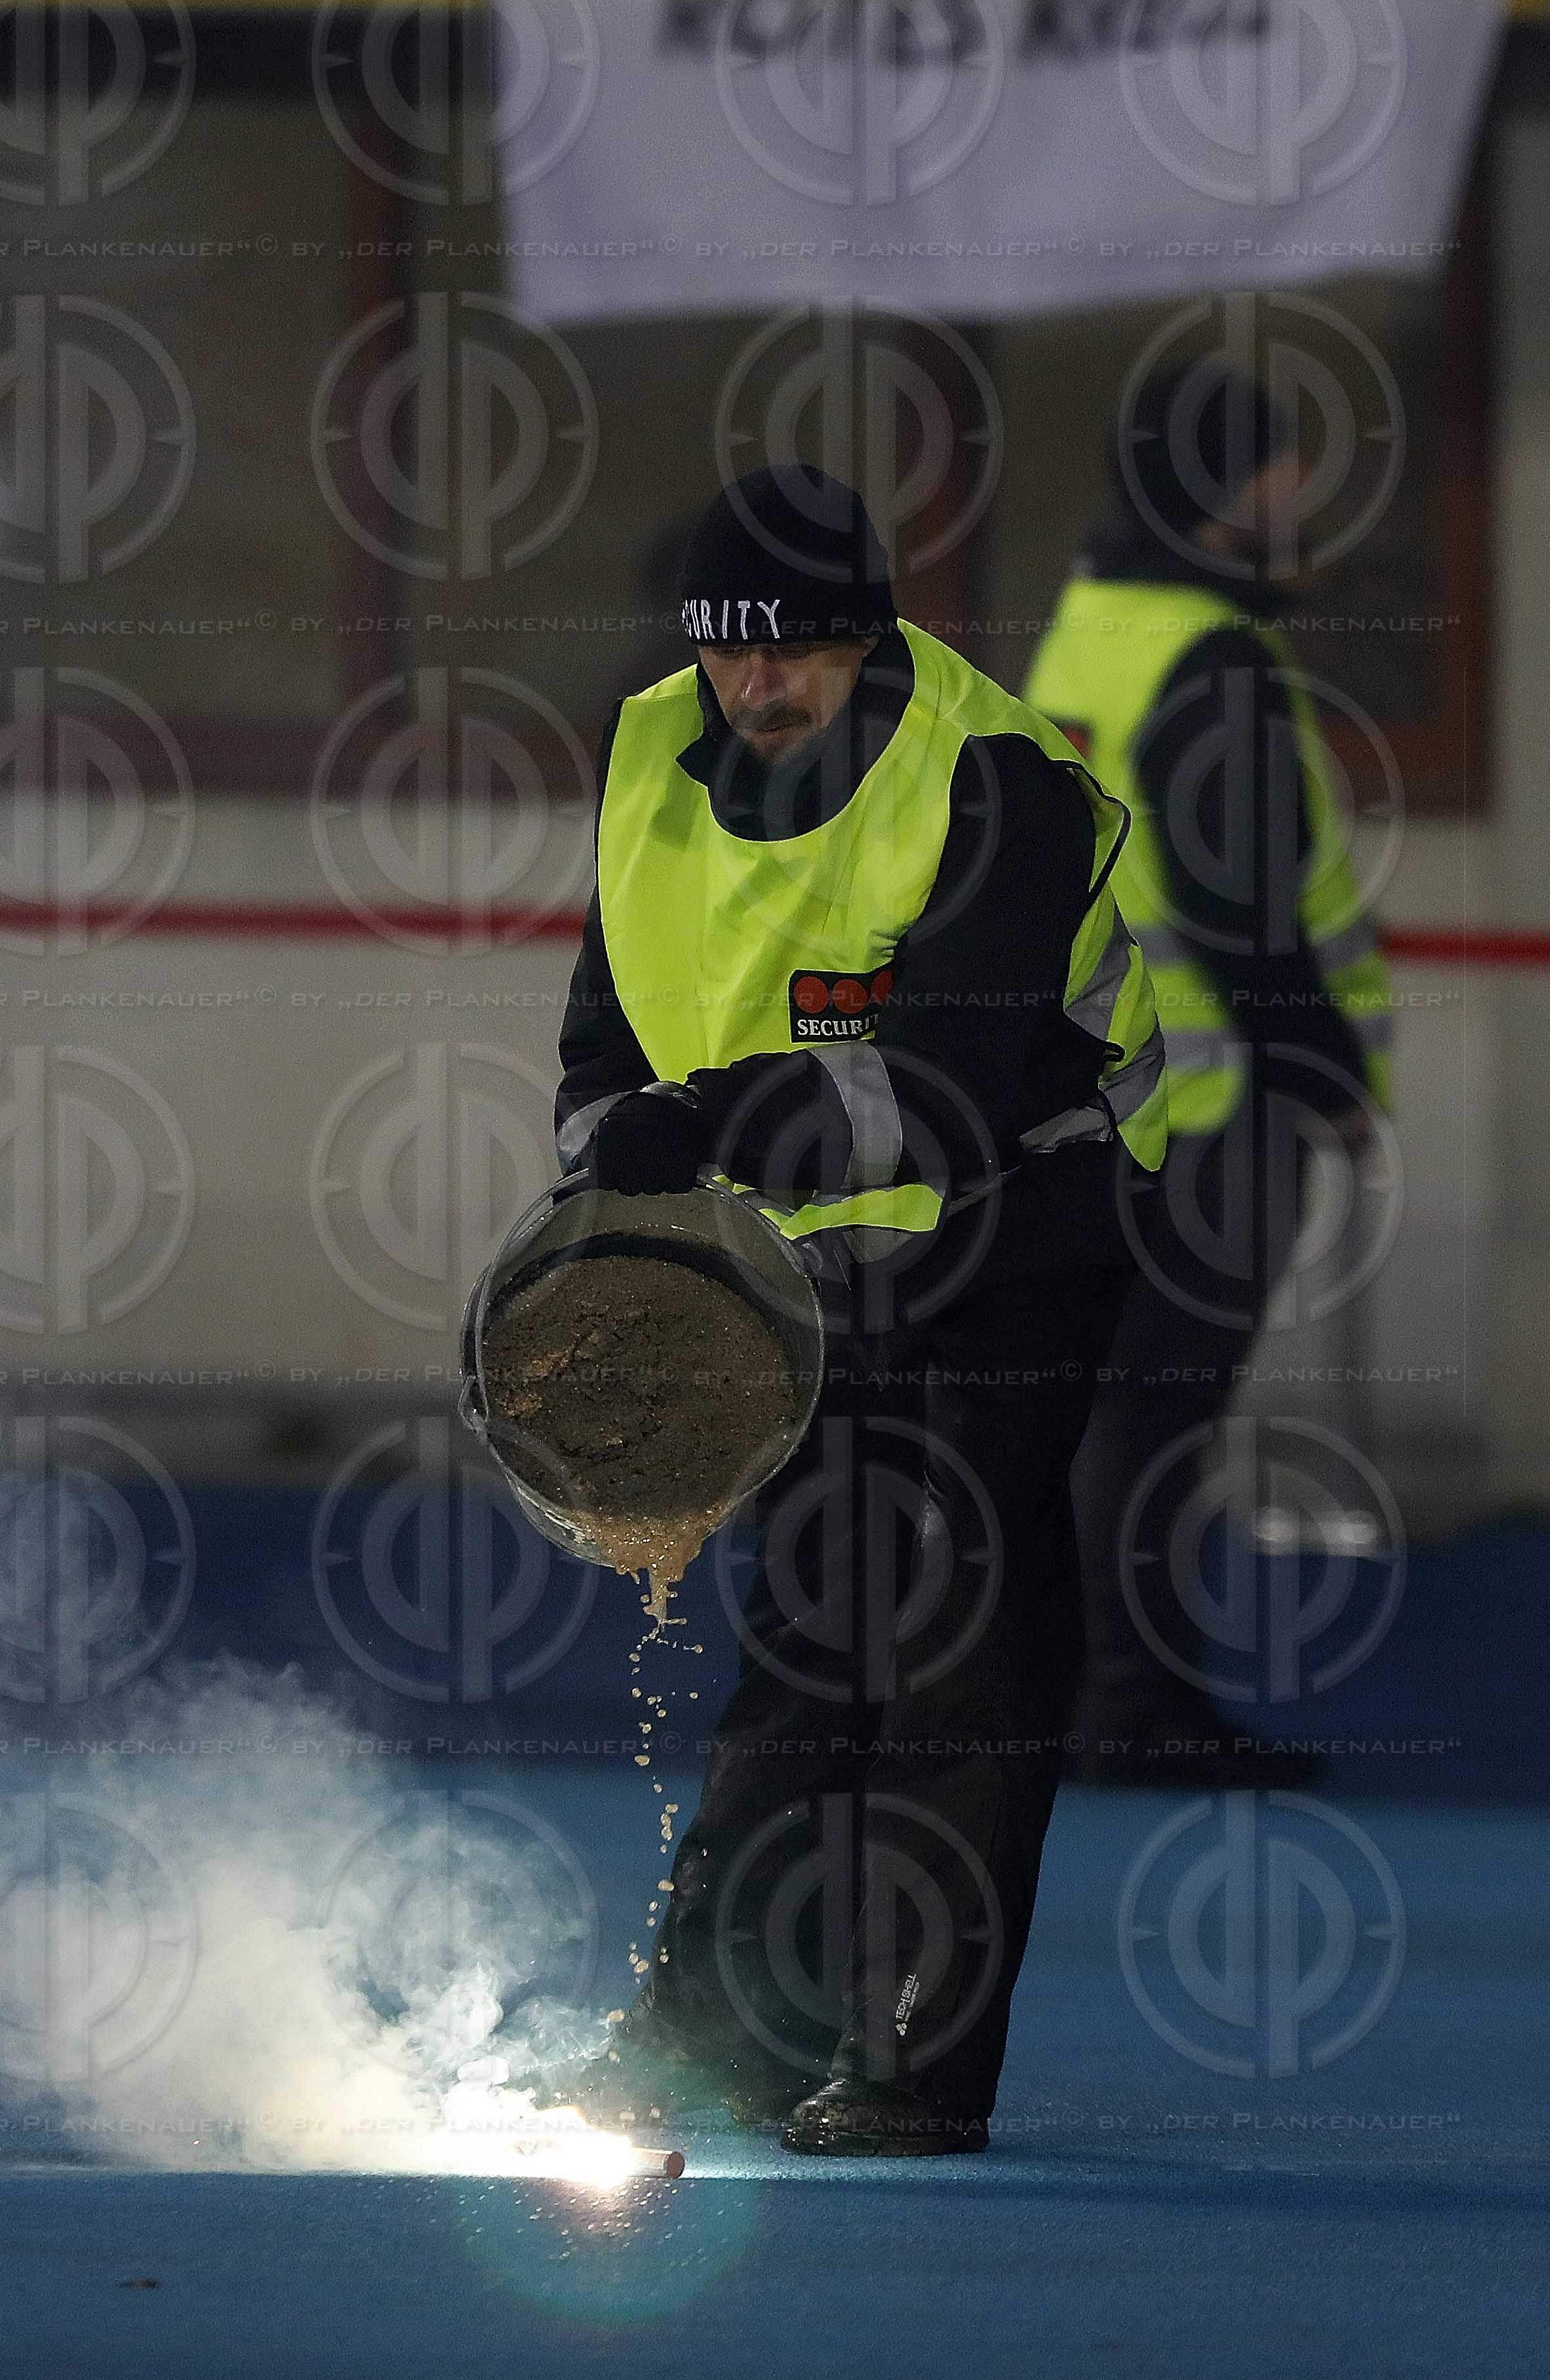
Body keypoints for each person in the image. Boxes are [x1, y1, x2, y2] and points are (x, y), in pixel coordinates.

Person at [547, 464, 1167, 2155]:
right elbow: (609, 1053)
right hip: (819, 1251)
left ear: (871, 634)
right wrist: (603, 1222)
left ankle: (910, 2069)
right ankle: (717, 2046)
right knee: (814, 1641)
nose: (764, 686)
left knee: (957, 1642)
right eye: (734, 652)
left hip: (1029, 1224)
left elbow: (949, 1101)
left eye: (804, 651)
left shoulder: (996, 780)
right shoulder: (651, 766)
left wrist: (718, 1124)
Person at [1023, 362, 1393, 1783]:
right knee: (1157, 1414)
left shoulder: (1092, 632)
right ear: (1216, 494)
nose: (1296, 504)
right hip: (1216, 1105)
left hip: (1101, 1091)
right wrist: (1327, 1064)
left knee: (1103, 1406)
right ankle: (1135, 1710)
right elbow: (1242, 905)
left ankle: (1071, 1695)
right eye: (1273, 477)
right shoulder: (1215, 660)